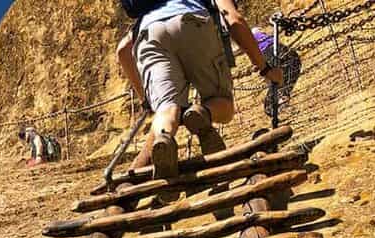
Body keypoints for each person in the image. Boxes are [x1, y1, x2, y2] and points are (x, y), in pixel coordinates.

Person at [117, 0, 283, 179]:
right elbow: (234, 20)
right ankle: (202, 113)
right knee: (223, 105)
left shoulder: (144, 10)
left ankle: (164, 139)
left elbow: (123, 50)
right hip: (192, 23)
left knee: (166, 109)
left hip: (149, 33)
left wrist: (146, 101)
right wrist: (265, 68)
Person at [251, 24, 302, 120]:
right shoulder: (265, 36)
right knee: (289, 72)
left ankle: (275, 107)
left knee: (275, 82)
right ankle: (283, 98)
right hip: (279, 48)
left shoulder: (251, 38)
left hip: (267, 53)